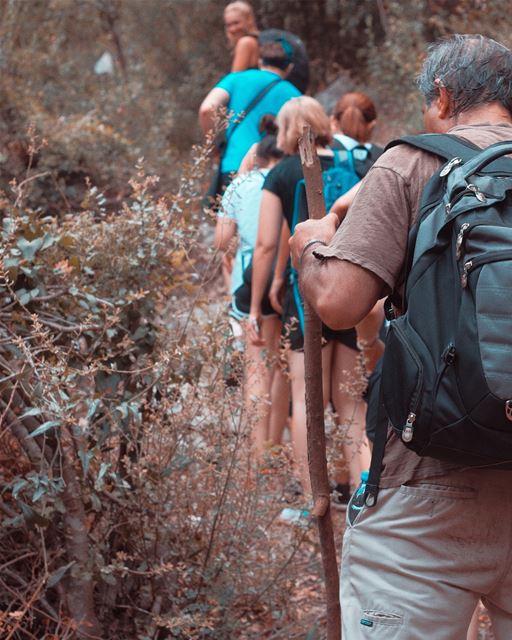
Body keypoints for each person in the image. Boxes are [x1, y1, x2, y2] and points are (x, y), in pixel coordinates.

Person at [290, 34, 512, 638]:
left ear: (440, 97)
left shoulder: (412, 162)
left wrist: (310, 240)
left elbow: (339, 302)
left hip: (426, 486)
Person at [248, 96, 370, 501]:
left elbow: (267, 244)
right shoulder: (352, 165)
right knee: (352, 403)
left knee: (306, 401)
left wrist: (259, 299)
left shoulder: (281, 173)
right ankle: (361, 492)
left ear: (286, 128)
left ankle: (311, 495)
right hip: (351, 292)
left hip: (305, 298)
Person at [214, 126, 289, 456]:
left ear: (256, 157)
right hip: (287, 279)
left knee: (257, 370)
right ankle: (273, 446)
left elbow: (220, 241)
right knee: (282, 370)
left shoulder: (242, 184)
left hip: (250, 279)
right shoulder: (289, 179)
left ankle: (258, 457)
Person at [199, 38, 301, 197]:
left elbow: (206, 109)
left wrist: (214, 146)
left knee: (228, 220)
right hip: (274, 173)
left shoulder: (235, 79)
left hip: (233, 167)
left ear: (260, 61)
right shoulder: (295, 96)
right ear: (289, 67)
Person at [330, 92, 386, 375]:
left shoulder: (323, 154)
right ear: (372, 123)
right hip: (375, 266)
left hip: (328, 266)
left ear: (333, 121)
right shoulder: (386, 157)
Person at [223, 1, 260, 72]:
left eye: (236, 23)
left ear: (249, 19)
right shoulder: (259, 39)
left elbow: (235, 78)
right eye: (229, 25)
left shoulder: (245, 42)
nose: (233, 29)